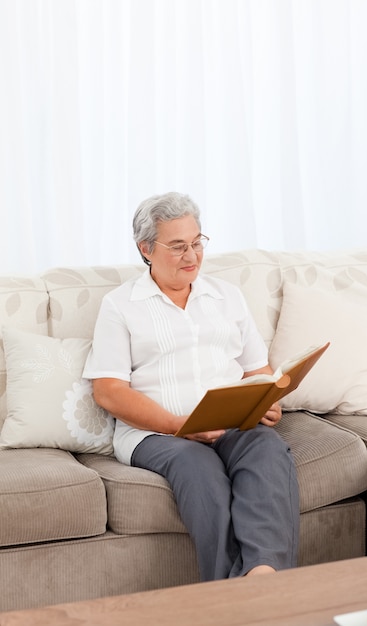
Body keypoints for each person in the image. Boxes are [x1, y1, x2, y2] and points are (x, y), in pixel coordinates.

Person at [83, 191, 299, 581]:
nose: (192, 256)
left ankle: (266, 575)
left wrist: (268, 398)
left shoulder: (226, 296)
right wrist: (179, 426)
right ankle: (233, 595)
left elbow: (257, 370)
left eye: (198, 243)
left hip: (233, 423)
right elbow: (108, 391)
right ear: (146, 249)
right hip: (159, 434)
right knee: (197, 468)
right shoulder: (121, 305)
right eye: (178, 246)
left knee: (267, 449)